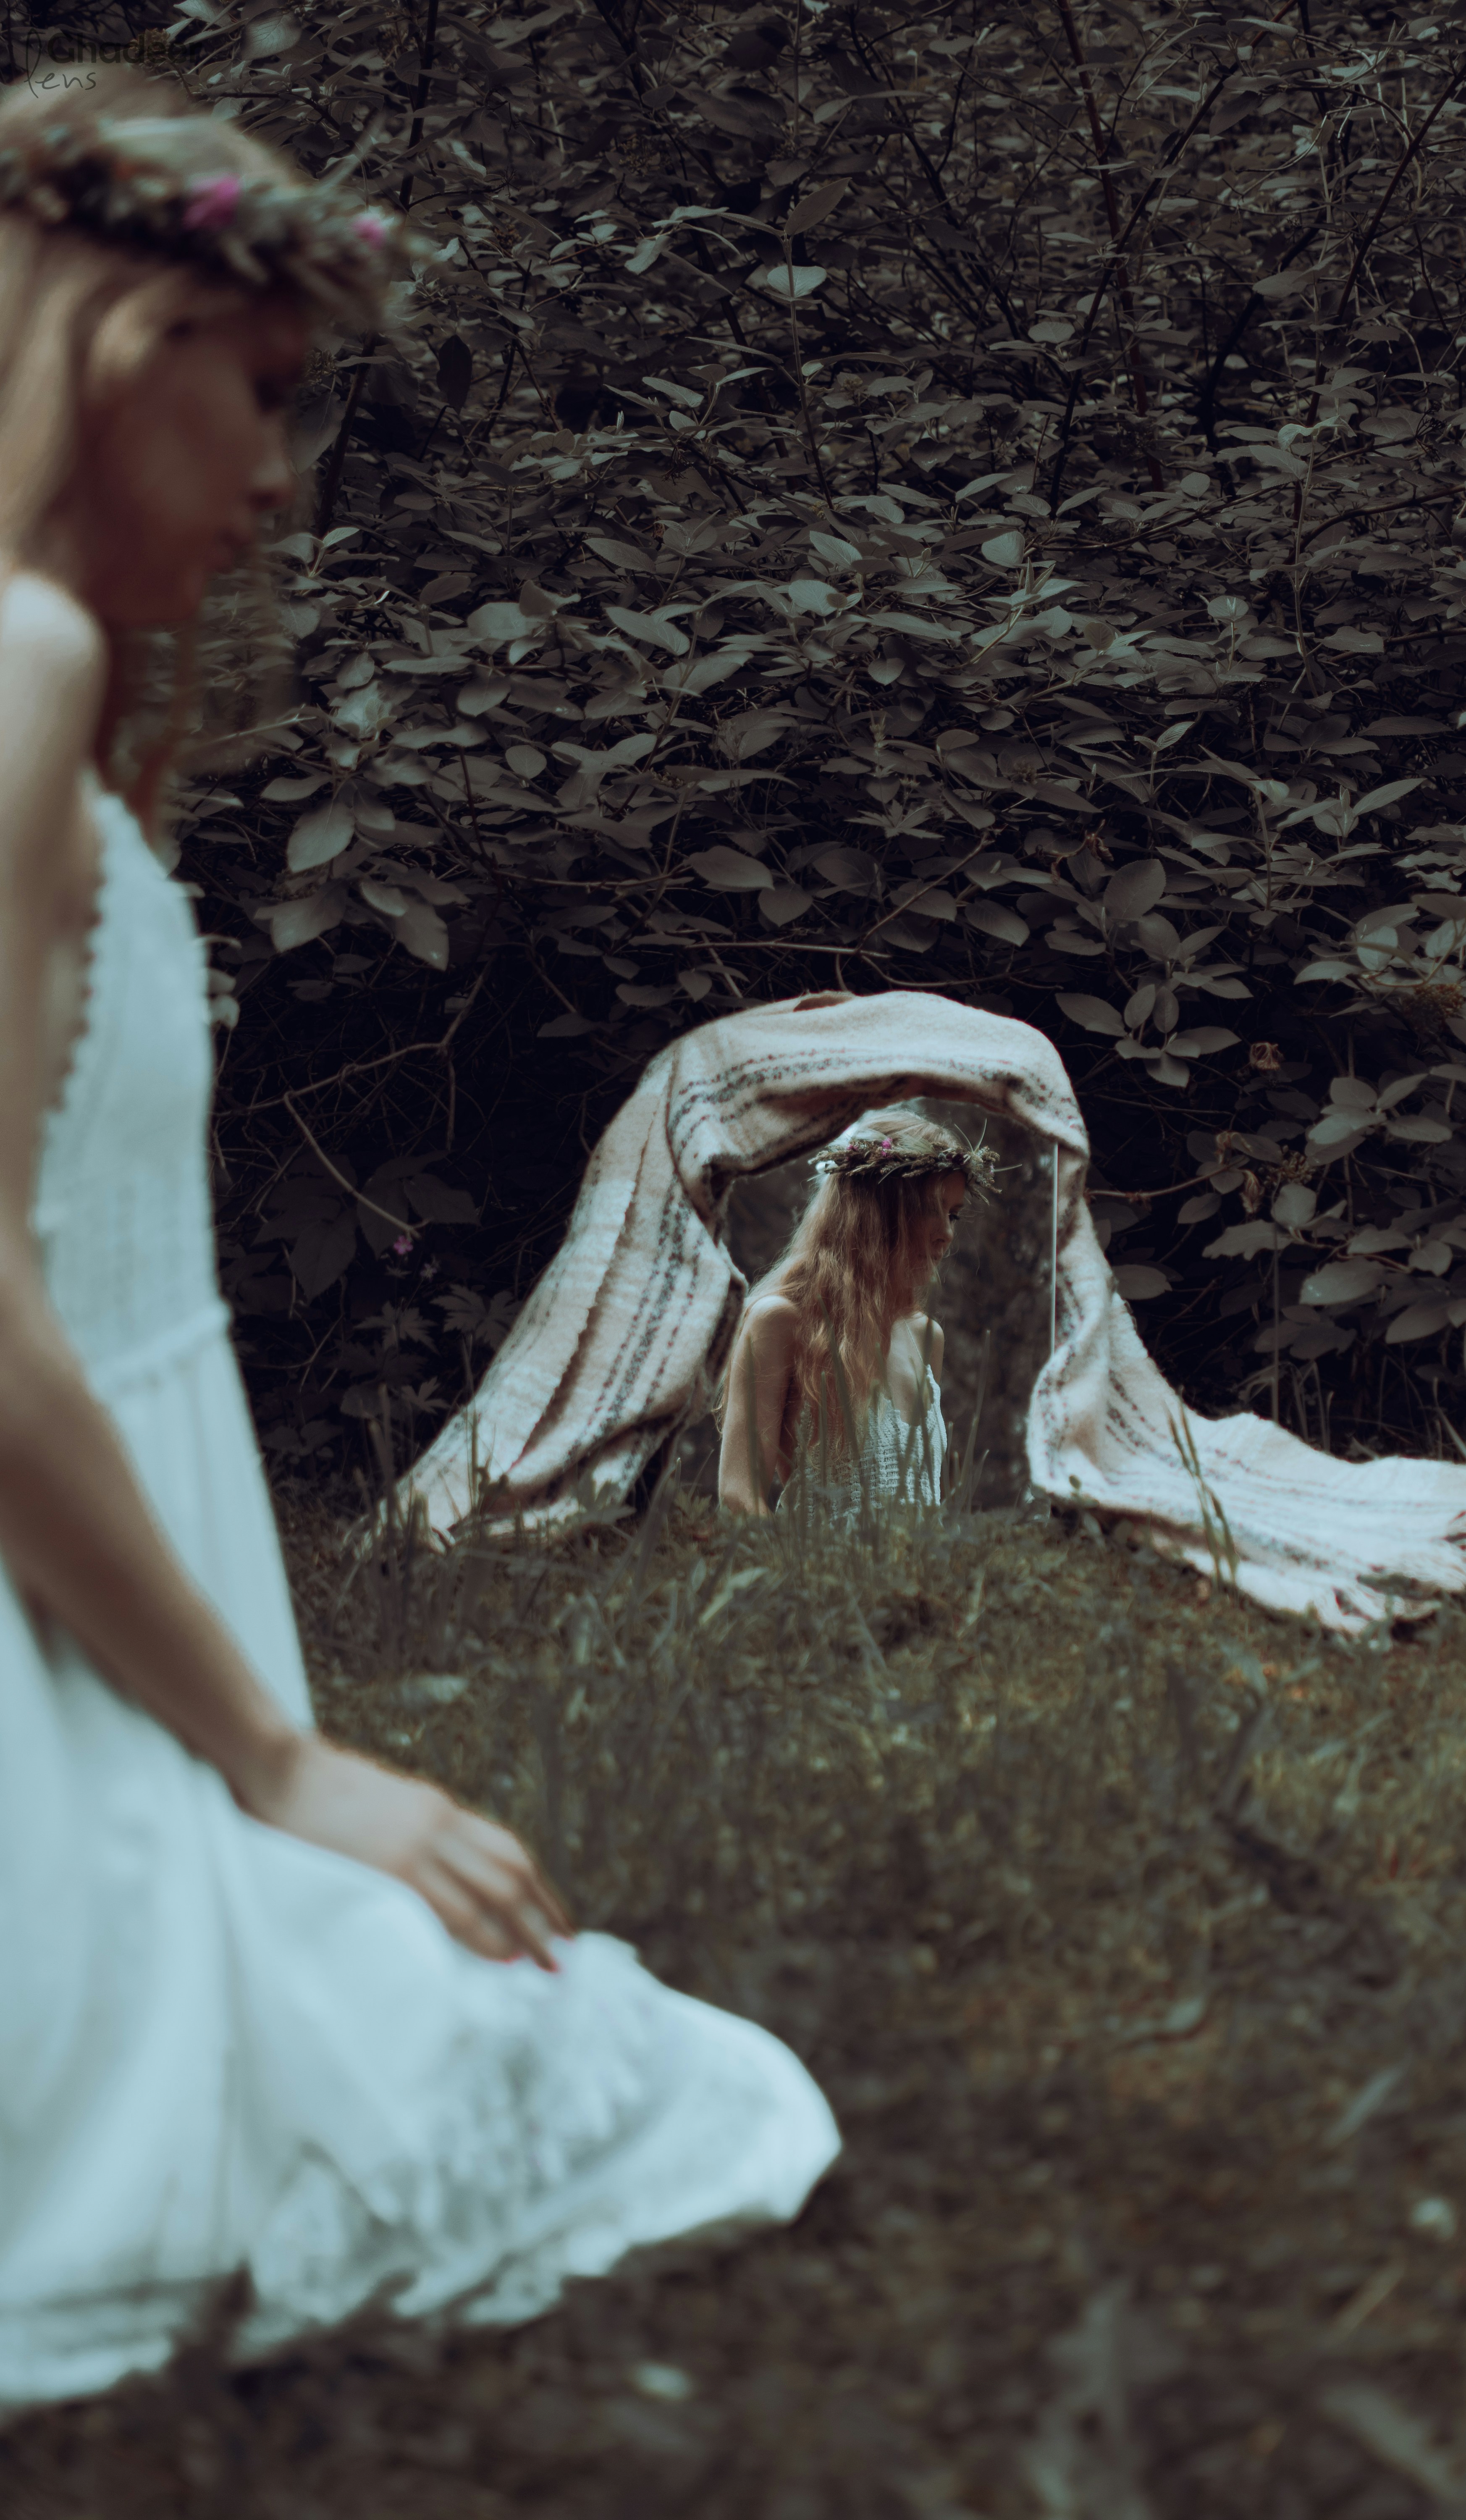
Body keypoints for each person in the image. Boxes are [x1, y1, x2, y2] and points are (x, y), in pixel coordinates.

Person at [0, 74, 837, 2413]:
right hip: (65, 1699)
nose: (282, 481)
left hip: (90, 1640)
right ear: (114, 339)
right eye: (257, 397)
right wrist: (274, 1758)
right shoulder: (19, 670)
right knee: (590, 2074)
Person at [718, 1108, 995, 1523]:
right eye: (929, 1208)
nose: (947, 1233)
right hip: (822, 1583)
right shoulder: (781, 1322)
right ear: (872, 1208)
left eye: (952, 1214)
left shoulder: (927, 1337)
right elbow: (739, 1498)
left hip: (920, 1585)